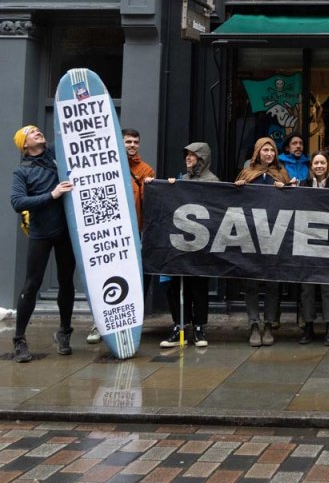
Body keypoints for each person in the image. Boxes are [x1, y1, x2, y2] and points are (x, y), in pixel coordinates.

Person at [9, 126, 75, 363]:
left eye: (37, 129)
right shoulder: (22, 172)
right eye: (31, 132)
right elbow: (17, 202)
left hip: (67, 232)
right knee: (32, 284)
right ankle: (19, 339)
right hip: (41, 234)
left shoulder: (59, 155)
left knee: (66, 282)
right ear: (24, 145)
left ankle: (64, 332)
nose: (37, 132)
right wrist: (52, 195)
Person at [87, 128, 155, 345]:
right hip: (109, 232)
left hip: (134, 233)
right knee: (105, 277)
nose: (132, 145)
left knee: (133, 279)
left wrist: (151, 188)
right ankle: (100, 323)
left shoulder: (146, 170)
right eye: (128, 141)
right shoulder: (106, 166)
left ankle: (130, 321)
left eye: (135, 141)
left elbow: (149, 203)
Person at [233, 137, 292, 347]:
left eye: (272, 151)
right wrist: (238, 188)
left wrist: (287, 188)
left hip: (275, 235)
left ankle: (269, 324)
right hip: (251, 235)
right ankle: (253, 324)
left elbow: (293, 202)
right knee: (251, 283)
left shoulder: (282, 174)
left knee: (272, 283)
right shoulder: (247, 174)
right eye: (265, 150)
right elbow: (233, 203)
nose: (269, 154)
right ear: (257, 152)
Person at [160, 143, 219, 348]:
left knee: (198, 287)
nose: (188, 158)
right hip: (179, 243)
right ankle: (179, 325)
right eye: (186, 154)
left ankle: (199, 327)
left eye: (192, 155)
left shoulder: (212, 181)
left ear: (201, 158)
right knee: (175, 286)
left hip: (201, 244)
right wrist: (170, 188)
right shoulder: (181, 179)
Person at [298, 152, 329, 345]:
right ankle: (308, 326)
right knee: (307, 288)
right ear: (311, 166)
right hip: (306, 241)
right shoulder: (303, 185)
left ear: (328, 166)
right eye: (316, 163)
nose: (319, 166)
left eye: (322, 162)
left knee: (328, 288)